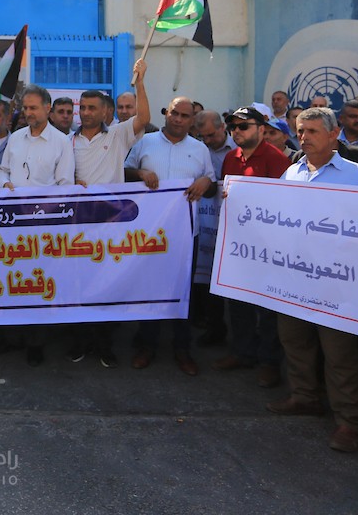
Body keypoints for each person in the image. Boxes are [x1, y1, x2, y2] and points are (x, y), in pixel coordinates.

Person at [266, 107, 358, 453]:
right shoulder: (292, 172)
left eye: (312, 131)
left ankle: (351, 421)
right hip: (294, 275)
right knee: (295, 340)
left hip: (336, 280)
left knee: (339, 352)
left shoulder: (356, 175)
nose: (304, 137)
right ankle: (305, 397)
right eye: (300, 131)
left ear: (333, 134)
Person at [66, 59, 150, 368]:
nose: (86, 112)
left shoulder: (117, 135)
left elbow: (144, 118)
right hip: (77, 224)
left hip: (111, 223)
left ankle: (105, 345)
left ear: (105, 112)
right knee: (78, 284)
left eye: (92, 108)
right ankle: (80, 342)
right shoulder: (68, 141)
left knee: (106, 285)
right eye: (83, 108)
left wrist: (140, 82)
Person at [123, 96, 214, 377]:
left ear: (192, 120)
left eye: (185, 116)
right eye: (174, 113)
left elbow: (210, 184)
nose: (178, 119)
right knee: (149, 289)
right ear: (166, 113)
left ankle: (182, 349)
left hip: (186, 234)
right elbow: (124, 173)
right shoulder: (145, 143)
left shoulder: (199, 149)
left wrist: (206, 181)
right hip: (149, 233)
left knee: (182, 291)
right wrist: (140, 172)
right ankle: (147, 345)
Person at [0, 84, 75, 366]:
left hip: (44, 225)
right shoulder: (16, 138)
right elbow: (3, 170)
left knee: (39, 282)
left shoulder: (61, 142)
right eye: (25, 108)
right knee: (11, 279)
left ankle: (36, 342)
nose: (28, 113)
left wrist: (44, 209)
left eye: (33, 108)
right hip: (12, 221)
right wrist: (5, 184)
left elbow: (65, 185)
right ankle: (11, 337)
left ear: (47, 108)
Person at [213, 107, 291, 388]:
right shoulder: (230, 157)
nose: (237, 131)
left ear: (261, 128)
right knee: (237, 302)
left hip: (269, 247)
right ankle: (243, 352)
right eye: (233, 127)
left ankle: (270, 362)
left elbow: (286, 204)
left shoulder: (277, 159)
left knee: (268, 308)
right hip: (237, 243)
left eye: (243, 126)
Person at [189, 108, 233, 347]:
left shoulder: (236, 151)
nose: (206, 140)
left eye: (211, 135)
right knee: (205, 279)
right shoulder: (197, 150)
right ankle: (213, 327)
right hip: (204, 223)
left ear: (222, 128)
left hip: (229, 225)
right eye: (202, 136)